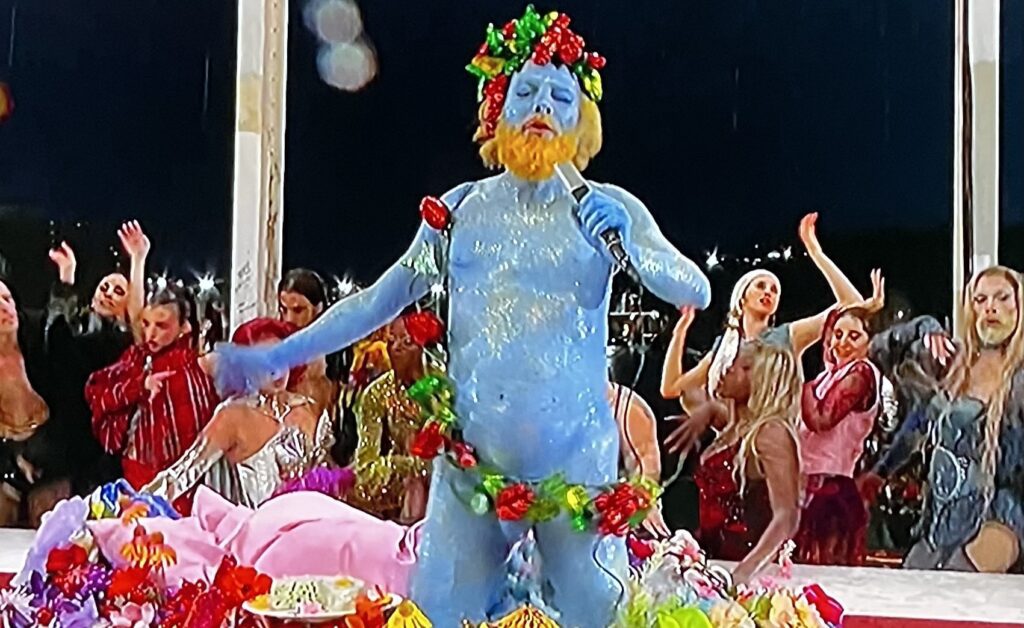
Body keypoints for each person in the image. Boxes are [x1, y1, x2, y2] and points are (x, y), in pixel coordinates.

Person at [213, 7, 711, 624]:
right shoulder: (459, 213)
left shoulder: (610, 209)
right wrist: (280, 353)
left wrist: (631, 245)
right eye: (525, 93)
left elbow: (693, 288)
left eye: (560, 97)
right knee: (436, 615)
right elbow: (378, 301)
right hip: (473, 468)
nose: (541, 106)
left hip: (576, 471)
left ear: (581, 120)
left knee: (598, 616)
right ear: (496, 109)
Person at [859, 266, 1024, 573]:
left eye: (1002, 298)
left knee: (958, 586)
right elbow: (878, 351)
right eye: (980, 299)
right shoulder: (953, 365)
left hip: (999, 519)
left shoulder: (1020, 379)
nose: (991, 307)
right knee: (914, 591)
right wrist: (925, 327)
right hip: (940, 521)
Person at [660, 214, 863, 419]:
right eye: (761, 286)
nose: (768, 292)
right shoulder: (723, 348)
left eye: (774, 290)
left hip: (775, 432)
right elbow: (672, 389)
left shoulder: (787, 336)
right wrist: (680, 332)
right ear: (742, 298)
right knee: (690, 397)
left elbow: (853, 303)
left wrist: (815, 252)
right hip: (736, 435)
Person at [143, 318, 333, 508]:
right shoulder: (232, 415)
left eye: (281, 358)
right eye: (264, 361)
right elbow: (182, 473)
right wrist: (140, 505)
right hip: (253, 524)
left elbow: (330, 479)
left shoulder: (306, 409)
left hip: (313, 521)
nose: (276, 370)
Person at [86, 285, 219, 502]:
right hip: (139, 473)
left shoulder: (201, 367)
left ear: (184, 327)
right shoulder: (135, 359)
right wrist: (139, 386)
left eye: (162, 325)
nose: (150, 334)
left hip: (191, 478)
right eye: (146, 324)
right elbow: (98, 394)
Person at [688, 340, 802, 585]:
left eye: (743, 366)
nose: (728, 369)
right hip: (714, 561)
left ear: (760, 378)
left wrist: (743, 573)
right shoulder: (733, 429)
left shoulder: (770, 433)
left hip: (746, 569)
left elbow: (787, 515)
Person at [795, 270, 885, 565]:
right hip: (807, 488)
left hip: (831, 495)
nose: (843, 342)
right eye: (838, 335)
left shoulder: (862, 372)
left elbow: (821, 419)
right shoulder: (829, 375)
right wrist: (814, 251)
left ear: (870, 342)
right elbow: (834, 317)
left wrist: (799, 385)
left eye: (854, 336)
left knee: (825, 578)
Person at [348, 315, 430, 522]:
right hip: (393, 510)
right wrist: (411, 468)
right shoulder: (376, 394)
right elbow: (365, 473)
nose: (396, 348)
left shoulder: (445, 390)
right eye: (391, 341)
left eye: (407, 342)